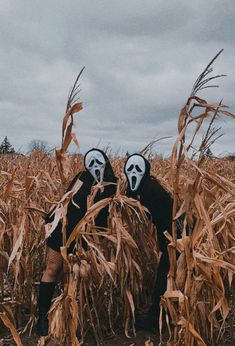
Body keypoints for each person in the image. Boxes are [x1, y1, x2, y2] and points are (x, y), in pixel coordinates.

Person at [37, 148, 117, 336]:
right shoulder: (82, 177)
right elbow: (65, 200)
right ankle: (42, 318)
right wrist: (51, 220)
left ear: (106, 161)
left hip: (89, 237)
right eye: (92, 162)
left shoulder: (113, 184)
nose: (96, 166)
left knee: (83, 276)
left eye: (100, 162)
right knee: (52, 269)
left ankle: (79, 320)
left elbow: (111, 212)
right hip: (65, 230)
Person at [124, 153, 180, 331]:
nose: (133, 173)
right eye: (130, 169)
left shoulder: (149, 190)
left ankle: (156, 320)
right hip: (174, 238)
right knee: (166, 275)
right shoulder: (149, 185)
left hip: (175, 240)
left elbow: (150, 214)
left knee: (164, 277)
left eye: (137, 169)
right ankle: (163, 315)